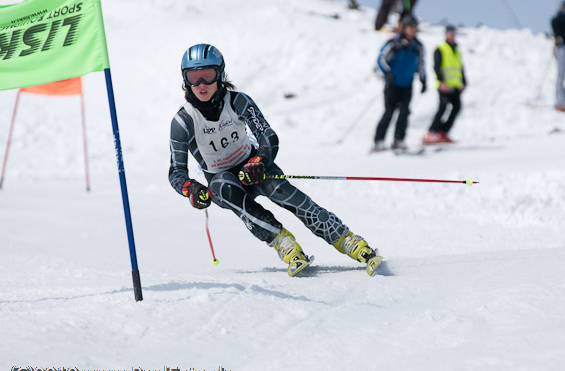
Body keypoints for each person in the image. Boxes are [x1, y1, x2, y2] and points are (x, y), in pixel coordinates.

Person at [169, 44, 383, 277]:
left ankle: (347, 240)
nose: (201, 84)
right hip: (221, 178)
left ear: (219, 75)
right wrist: (191, 189)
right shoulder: (183, 121)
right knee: (227, 189)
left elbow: (268, 136)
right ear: (185, 80)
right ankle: (285, 244)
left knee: (286, 193)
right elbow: (176, 173)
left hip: (253, 166)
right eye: (193, 77)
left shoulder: (238, 102)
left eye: (208, 76)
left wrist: (259, 161)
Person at [372, 14, 426, 152]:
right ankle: (379, 141)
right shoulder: (394, 43)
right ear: (404, 28)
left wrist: (423, 79)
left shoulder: (417, 46)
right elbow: (381, 59)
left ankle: (399, 140)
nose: (413, 30)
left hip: (407, 84)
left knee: (404, 113)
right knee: (389, 112)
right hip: (392, 84)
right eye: (410, 27)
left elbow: (421, 64)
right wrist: (387, 73)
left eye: (415, 28)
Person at [423, 25, 466, 144]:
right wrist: (441, 81)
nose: (452, 35)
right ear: (446, 34)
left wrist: (464, 81)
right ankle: (431, 132)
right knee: (442, 108)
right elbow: (436, 66)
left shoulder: (457, 50)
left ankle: (443, 132)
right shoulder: (440, 49)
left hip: (455, 85)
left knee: (456, 108)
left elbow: (460, 67)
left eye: (453, 33)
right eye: (449, 33)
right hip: (444, 85)